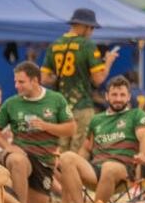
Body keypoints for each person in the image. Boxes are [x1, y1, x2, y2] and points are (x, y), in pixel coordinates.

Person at [0, 61, 76, 203]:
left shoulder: (56, 99)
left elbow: (71, 128)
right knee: (17, 161)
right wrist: (8, 146)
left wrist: (46, 126)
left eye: (21, 82)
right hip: (22, 154)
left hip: (45, 162)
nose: (16, 86)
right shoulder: (11, 103)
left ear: (35, 80)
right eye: (15, 81)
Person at [59, 76, 145, 203]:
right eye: (114, 95)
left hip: (124, 171)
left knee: (109, 167)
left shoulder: (136, 114)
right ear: (107, 96)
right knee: (66, 157)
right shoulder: (97, 119)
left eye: (122, 95)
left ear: (128, 97)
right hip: (96, 169)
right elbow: (86, 148)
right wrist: (76, 164)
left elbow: (144, 137)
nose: (118, 99)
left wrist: (144, 155)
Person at [40, 8, 119, 152]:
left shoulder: (55, 45)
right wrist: (108, 62)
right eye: (91, 28)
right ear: (84, 26)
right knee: (79, 150)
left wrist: (60, 78)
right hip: (82, 105)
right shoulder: (87, 45)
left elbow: (44, 79)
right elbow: (98, 80)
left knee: (61, 150)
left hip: (61, 106)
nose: (91, 32)